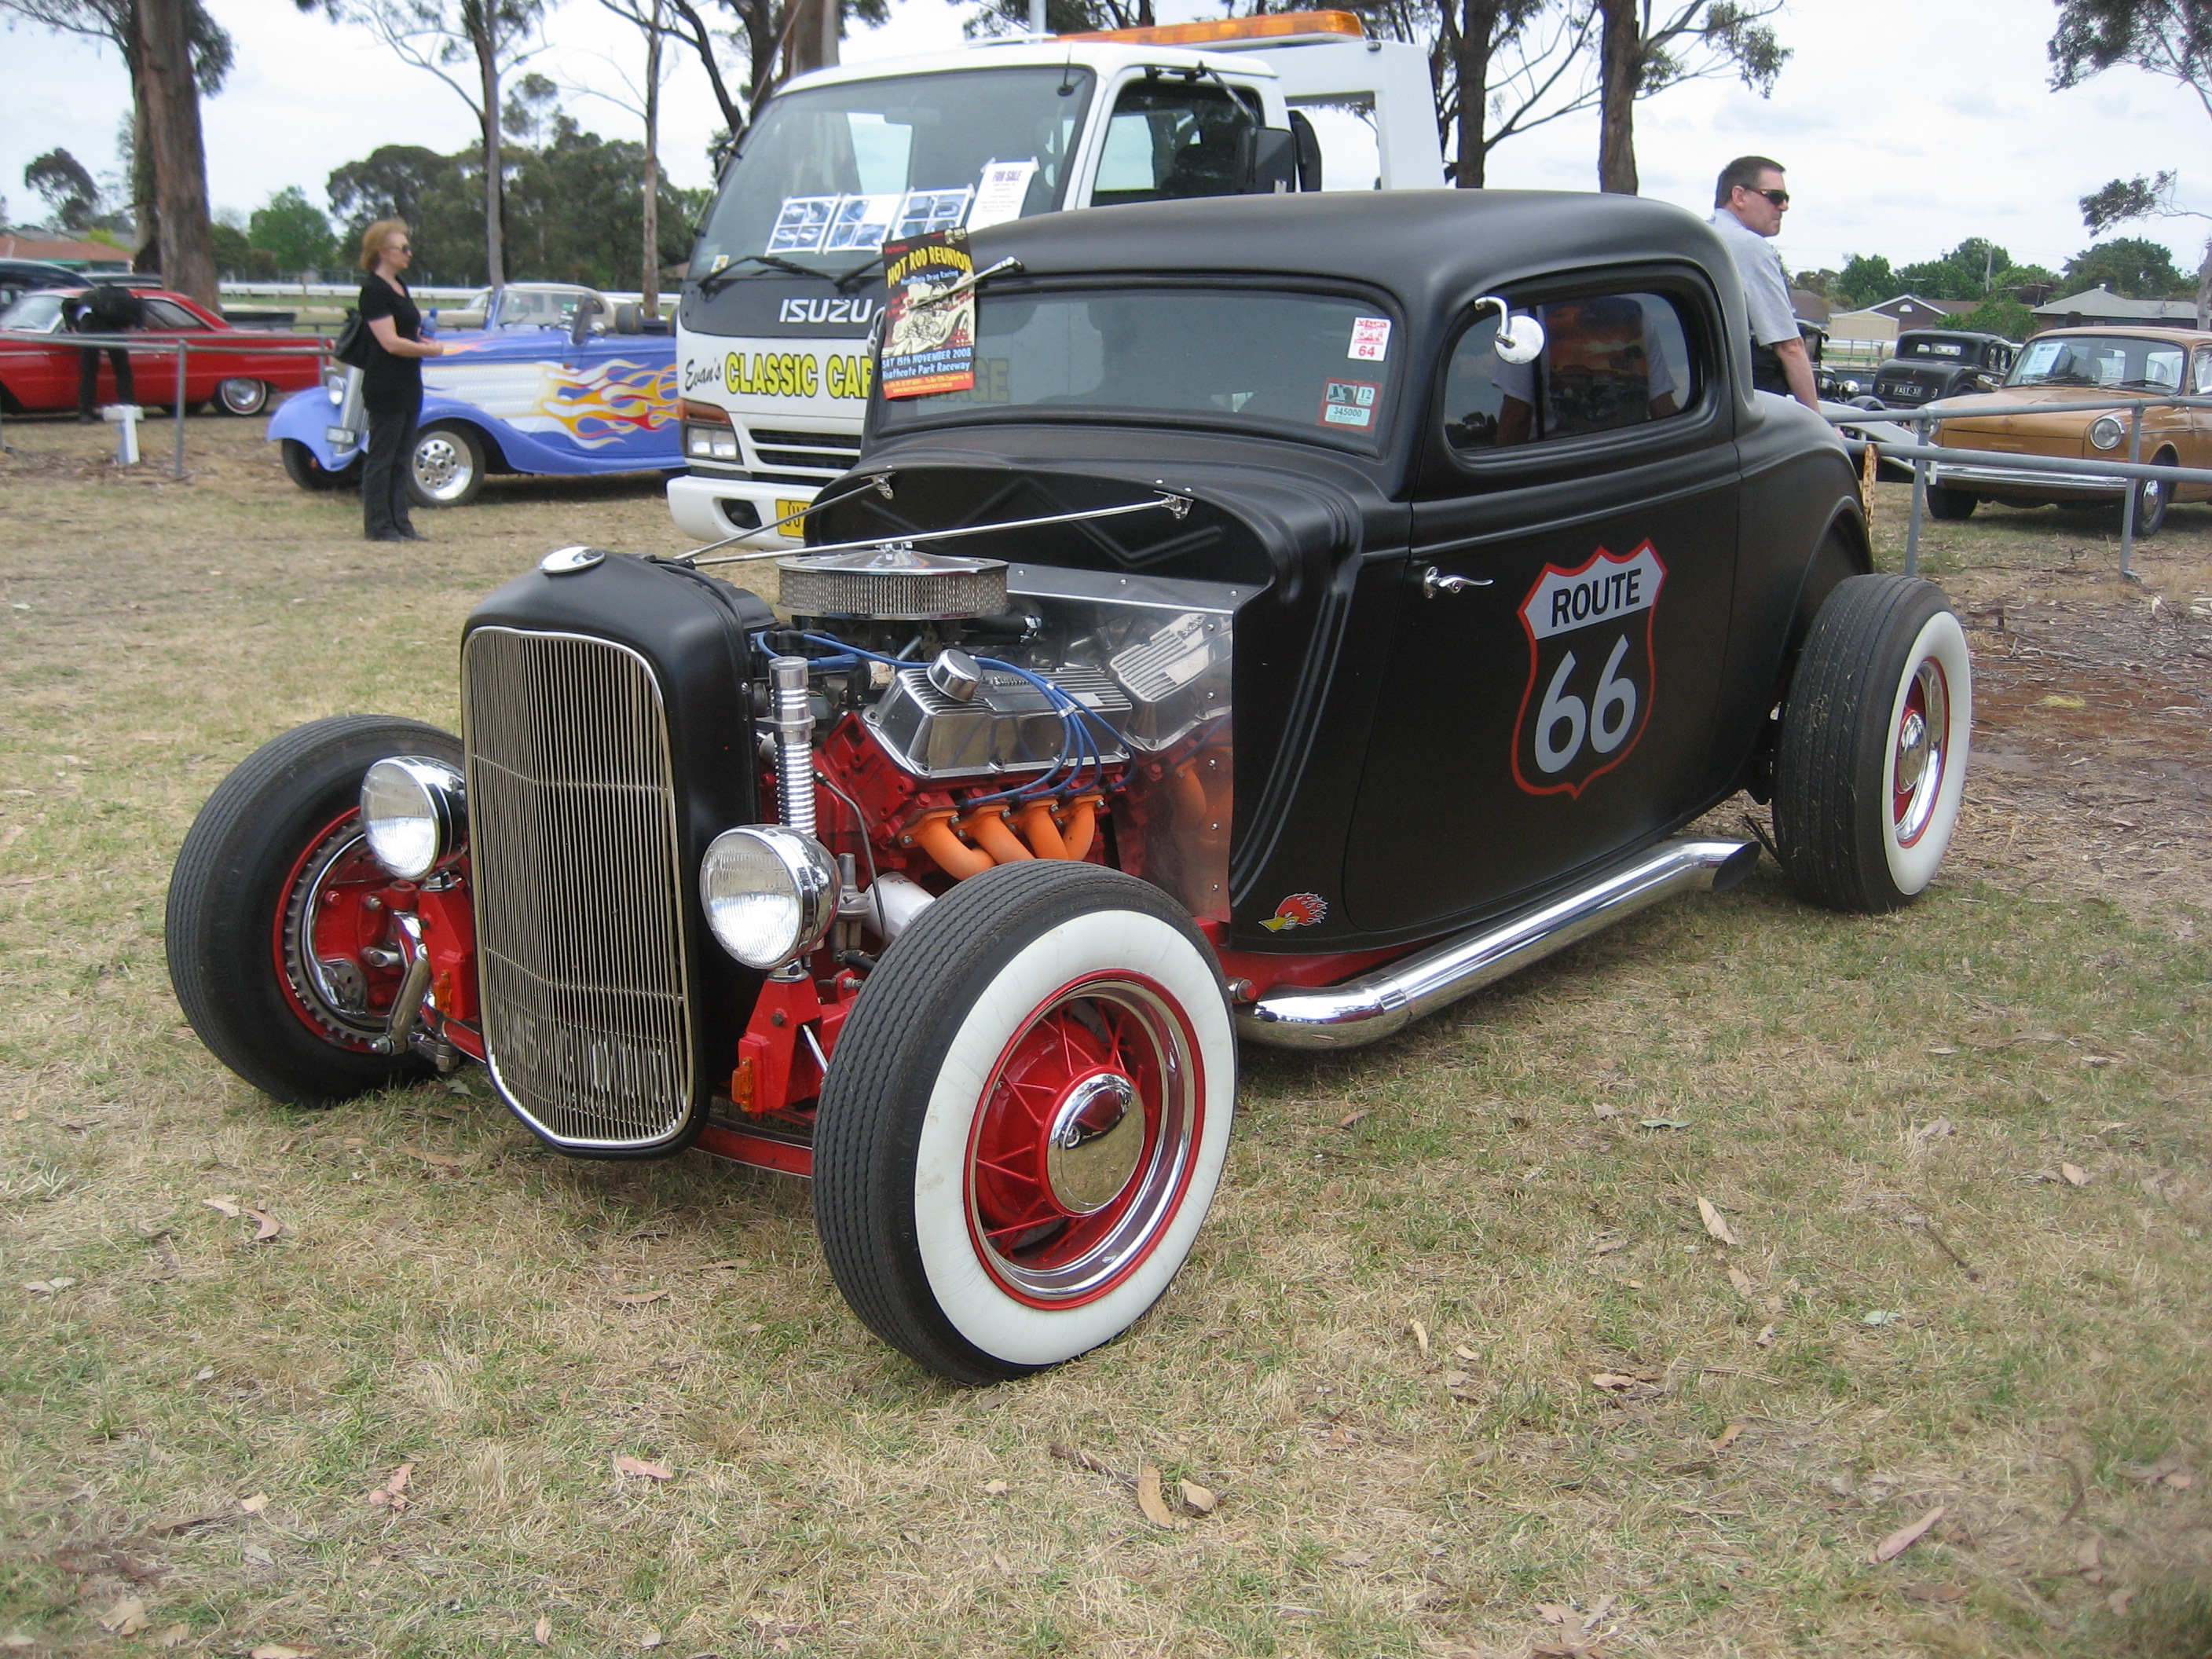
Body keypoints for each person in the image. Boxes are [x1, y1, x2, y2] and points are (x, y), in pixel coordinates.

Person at [356, 218, 446, 542]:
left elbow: (406, 332)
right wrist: (429, 352)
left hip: (409, 380)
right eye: (403, 247)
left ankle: (401, 522)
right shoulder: (374, 291)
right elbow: (390, 342)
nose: (409, 253)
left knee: (401, 456)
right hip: (386, 383)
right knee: (382, 456)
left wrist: (425, 340)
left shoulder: (400, 286)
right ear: (383, 251)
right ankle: (379, 525)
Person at [1708, 156, 1818, 410]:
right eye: (1776, 196)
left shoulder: (1700, 237)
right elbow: (1790, 347)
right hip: (1749, 407)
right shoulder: (1750, 247)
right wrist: (1820, 425)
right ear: (1739, 196)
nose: (1784, 206)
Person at [66, 282, 142, 423]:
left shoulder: (87, 297)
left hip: (89, 330)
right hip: (114, 331)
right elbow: (135, 320)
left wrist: (73, 327)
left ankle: (85, 413)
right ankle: (129, 409)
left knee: (88, 373)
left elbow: (67, 306)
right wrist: (133, 326)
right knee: (123, 371)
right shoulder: (123, 300)